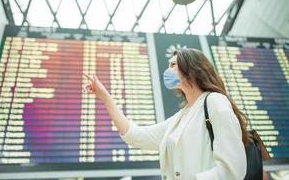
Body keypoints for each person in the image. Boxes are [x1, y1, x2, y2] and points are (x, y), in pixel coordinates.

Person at [83, 48, 248, 180]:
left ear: (192, 69)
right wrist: (105, 96)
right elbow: (136, 135)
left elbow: (233, 168)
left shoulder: (214, 101)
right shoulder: (180, 117)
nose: (167, 70)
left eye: (173, 65)